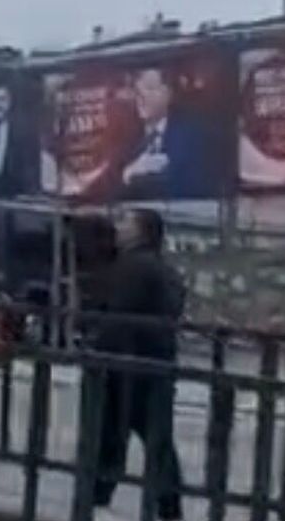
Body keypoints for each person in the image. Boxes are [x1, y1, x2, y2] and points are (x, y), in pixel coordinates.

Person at [93, 208, 186, 520]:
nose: (118, 228)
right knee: (156, 437)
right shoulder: (163, 268)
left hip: (128, 361)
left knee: (112, 431)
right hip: (155, 361)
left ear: (140, 231)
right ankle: (168, 504)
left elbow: (117, 315)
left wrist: (99, 348)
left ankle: (99, 491)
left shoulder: (132, 266)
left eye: (125, 222)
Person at [120, 69, 210, 199]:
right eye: (137, 91)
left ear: (168, 94)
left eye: (149, 88)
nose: (141, 97)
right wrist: (129, 174)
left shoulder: (192, 136)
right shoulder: (125, 139)